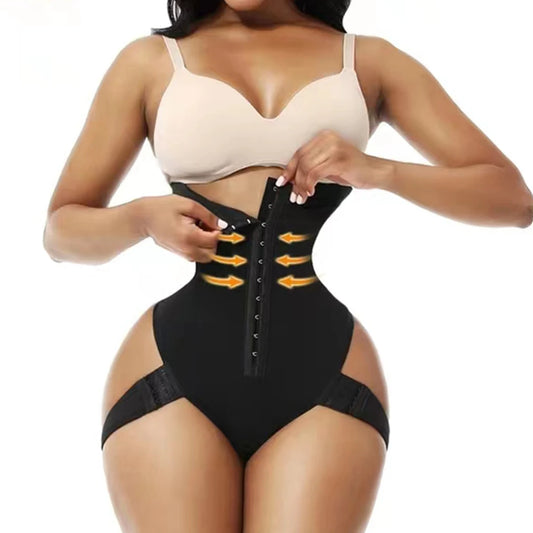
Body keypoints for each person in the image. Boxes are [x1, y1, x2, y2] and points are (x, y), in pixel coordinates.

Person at [42, 1, 533, 531]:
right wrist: (139, 219)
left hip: (326, 371)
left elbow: (513, 200)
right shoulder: (150, 61)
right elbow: (60, 233)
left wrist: (379, 170)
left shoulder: (368, 63)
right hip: (172, 365)